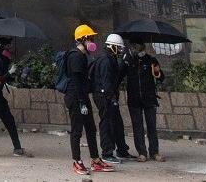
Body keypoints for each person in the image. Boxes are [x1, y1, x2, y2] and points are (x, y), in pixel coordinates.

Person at [64, 24, 111, 176]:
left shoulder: (83, 56)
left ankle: (95, 159)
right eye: (90, 37)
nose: (92, 40)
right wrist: (82, 102)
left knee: (91, 128)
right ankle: (77, 161)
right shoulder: (75, 56)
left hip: (82, 96)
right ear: (83, 39)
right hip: (76, 97)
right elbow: (77, 81)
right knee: (77, 130)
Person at [92, 34, 132, 164]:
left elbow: (115, 78)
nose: (120, 51)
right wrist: (111, 98)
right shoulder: (105, 59)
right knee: (107, 124)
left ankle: (121, 150)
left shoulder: (111, 58)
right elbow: (106, 81)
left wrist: (124, 67)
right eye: (118, 48)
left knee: (117, 124)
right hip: (104, 96)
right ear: (112, 46)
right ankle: (107, 152)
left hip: (108, 95)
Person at [125, 42, 164, 162]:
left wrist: (158, 71)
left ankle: (154, 152)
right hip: (134, 99)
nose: (137, 49)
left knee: (152, 126)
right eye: (135, 46)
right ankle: (142, 152)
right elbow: (121, 74)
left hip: (149, 98)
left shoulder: (151, 60)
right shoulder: (129, 61)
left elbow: (160, 77)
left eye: (139, 46)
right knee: (138, 127)